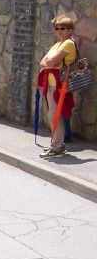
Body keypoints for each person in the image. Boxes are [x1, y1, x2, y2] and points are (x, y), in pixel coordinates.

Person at [37, 14, 77, 158]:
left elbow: (50, 62)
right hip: (52, 84)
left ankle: (57, 147)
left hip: (60, 85)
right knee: (53, 115)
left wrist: (51, 62)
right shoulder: (58, 44)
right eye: (56, 28)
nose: (59, 31)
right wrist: (51, 63)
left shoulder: (68, 43)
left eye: (62, 28)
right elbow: (43, 62)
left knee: (54, 116)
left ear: (70, 30)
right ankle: (57, 144)